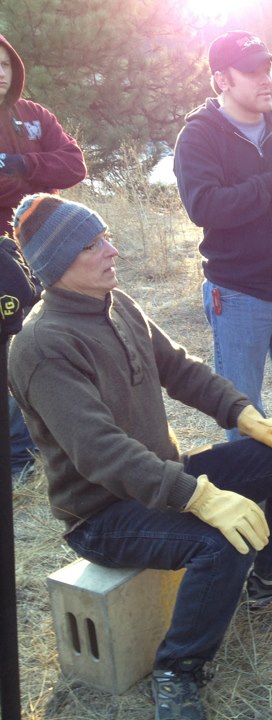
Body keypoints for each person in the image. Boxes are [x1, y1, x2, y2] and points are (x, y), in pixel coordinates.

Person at [8, 194, 272, 720]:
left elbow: (179, 369)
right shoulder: (42, 345)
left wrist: (245, 415)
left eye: (106, 235)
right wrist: (198, 496)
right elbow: (99, 452)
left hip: (163, 479)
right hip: (102, 513)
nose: (112, 250)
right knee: (221, 540)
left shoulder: (118, 302)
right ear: (58, 263)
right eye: (94, 245)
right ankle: (178, 670)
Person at [173, 31, 272, 504]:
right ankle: (252, 490)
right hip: (238, 292)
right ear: (221, 79)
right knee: (241, 403)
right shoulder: (200, 136)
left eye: (268, 69)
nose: (266, 80)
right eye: (253, 71)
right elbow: (203, 206)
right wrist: (267, 185)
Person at [0, 32, 87, 483]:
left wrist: (23, 166)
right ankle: (20, 455)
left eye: (5, 63)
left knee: (59, 342)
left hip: (48, 247)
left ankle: (66, 438)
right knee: (11, 348)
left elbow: (75, 165)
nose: (0, 71)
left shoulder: (34, 115)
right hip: (1, 252)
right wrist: (25, 182)